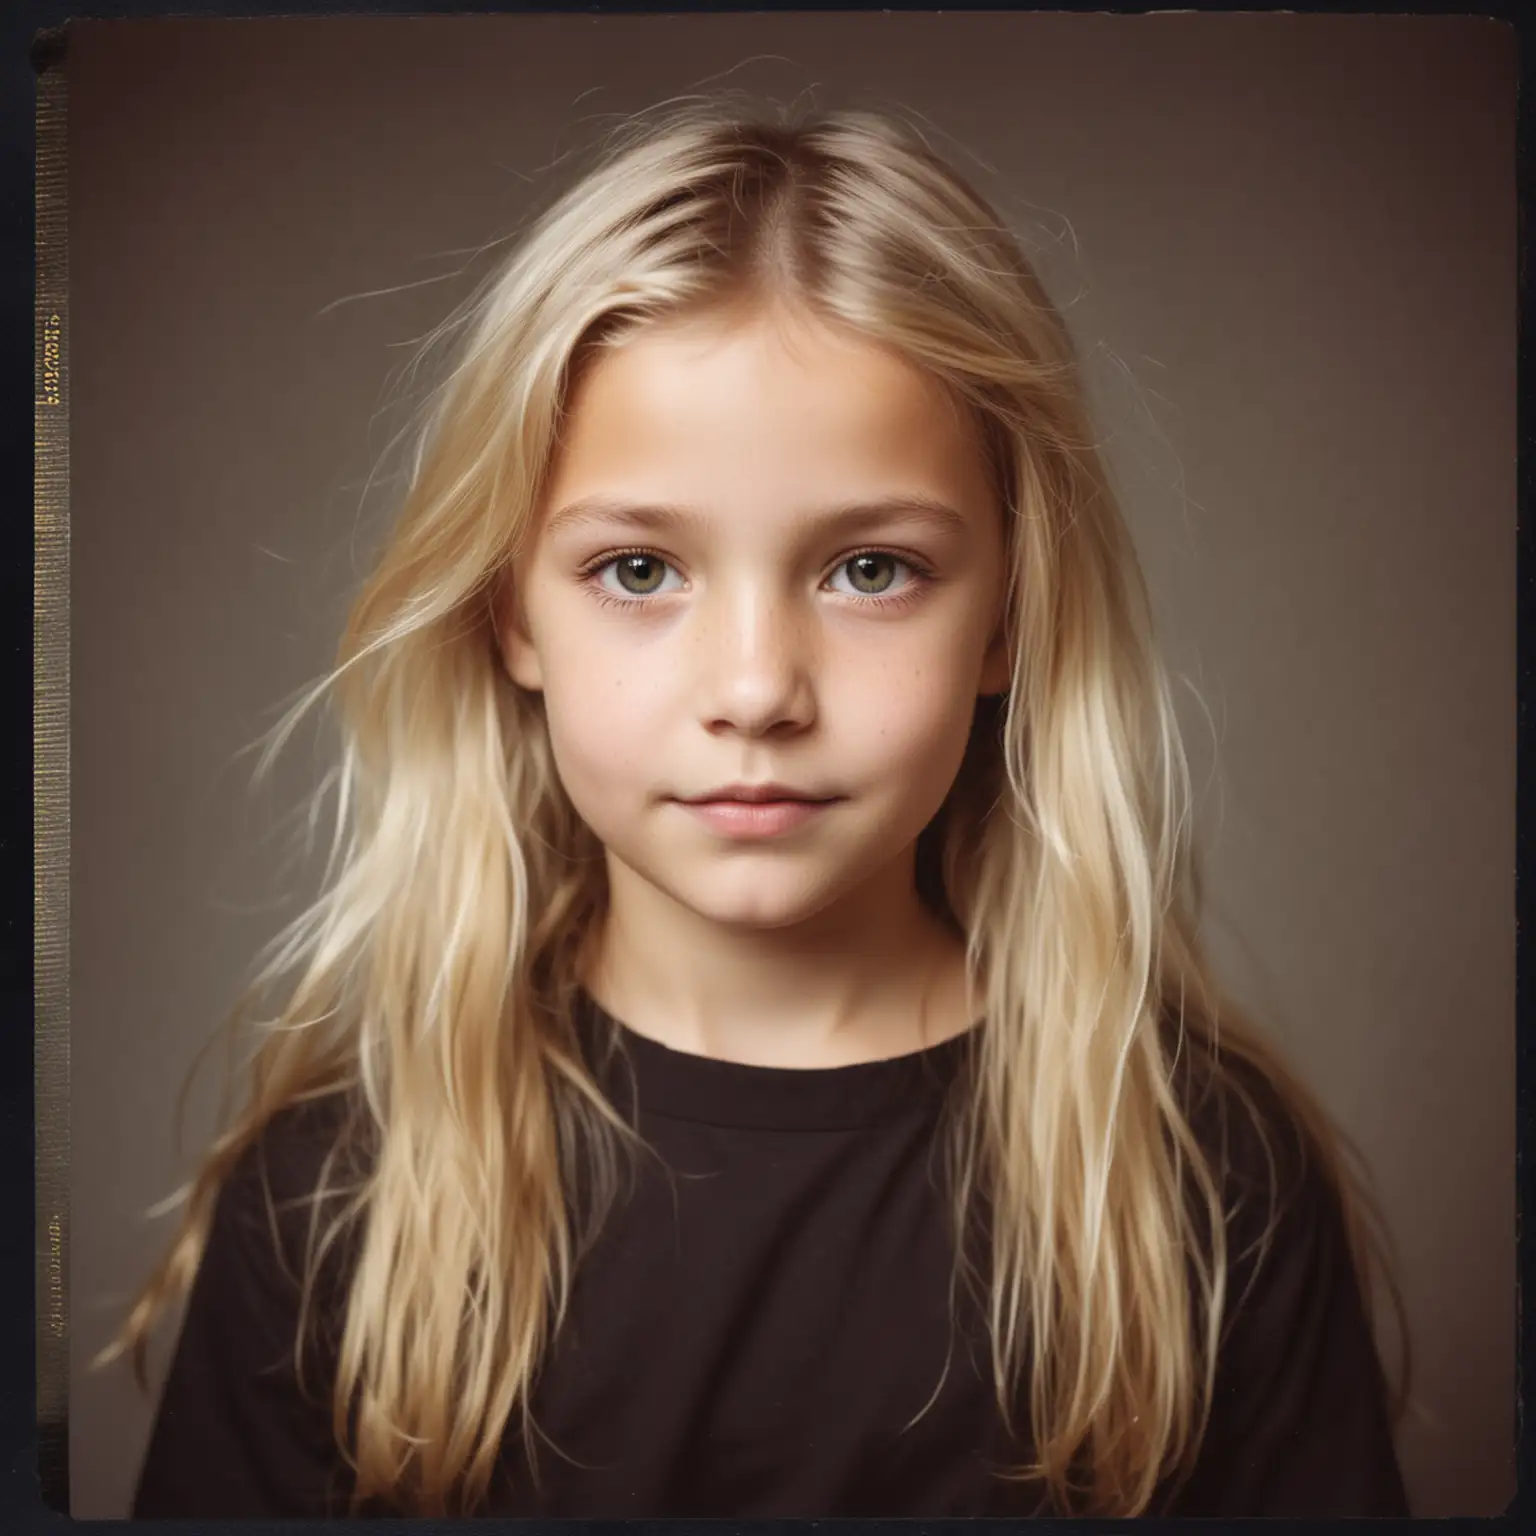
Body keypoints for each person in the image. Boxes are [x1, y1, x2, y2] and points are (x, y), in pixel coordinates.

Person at [94, 97, 1413, 1519]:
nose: (757, 690)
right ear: (508, 616)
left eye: (870, 570)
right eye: (641, 572)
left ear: (1009, 620)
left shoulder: (1199, 1186)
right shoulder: (343, 1202)